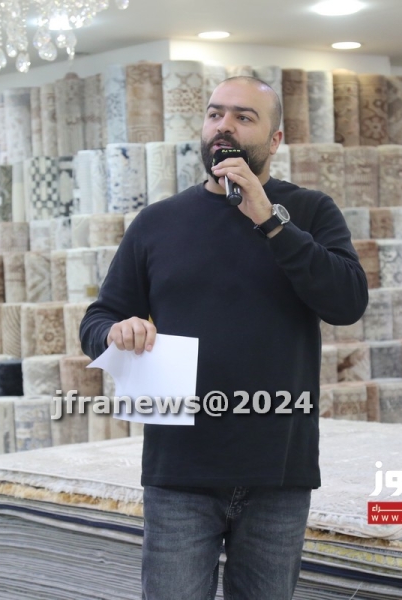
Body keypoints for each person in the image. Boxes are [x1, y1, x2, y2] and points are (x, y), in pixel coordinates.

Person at [80, 76, 368, 599]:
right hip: (180, 471)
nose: (223, 126)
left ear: (275, 140)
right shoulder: (158, 222)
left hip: (278, 470)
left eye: (242, 116)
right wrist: (117, 331)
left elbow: (347, 303)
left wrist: (269, 220)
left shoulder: (308, 211)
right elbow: (98, 320)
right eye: (215, 114)